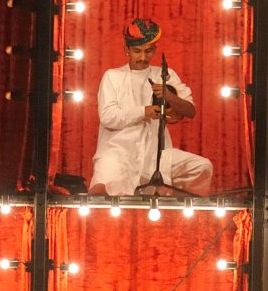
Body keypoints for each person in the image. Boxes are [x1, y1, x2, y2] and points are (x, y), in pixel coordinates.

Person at [89, 18, 213, 198]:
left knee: (202, 167)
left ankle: (176, 204)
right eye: (137, 51)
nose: (142, 57)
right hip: (119, 153)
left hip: (157, 155)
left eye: (148, 51)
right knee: (101, 190)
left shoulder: (164, 75)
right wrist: (144, 111)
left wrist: (169, 96)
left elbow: (190, 111)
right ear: (126, 50)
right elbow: (108, 117)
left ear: (154, 50)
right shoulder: (112, 76)